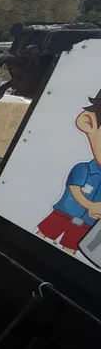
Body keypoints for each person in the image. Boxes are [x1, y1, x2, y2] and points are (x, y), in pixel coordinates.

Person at [37, 89, 101, 254]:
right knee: (41, 236)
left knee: (70, 249)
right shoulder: (84, 169)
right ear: (88, 122)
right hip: (63, 214)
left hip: (86, 224)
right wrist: (90, 205)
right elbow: (74, 190)